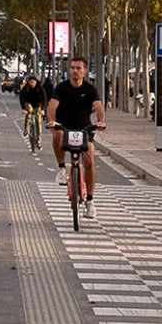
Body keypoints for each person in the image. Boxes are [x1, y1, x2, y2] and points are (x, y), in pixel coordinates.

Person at [48, 54, 105, 214]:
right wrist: (52, 121)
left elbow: (98, 107)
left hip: (84, 129)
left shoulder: (89, 89)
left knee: (89, 161)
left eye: (78, 68)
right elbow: (52, 106)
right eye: (72, 68)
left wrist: (101, 121)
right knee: (57, 134)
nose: (74, 71)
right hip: (64, 127)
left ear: (85, 71)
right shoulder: (61, 88)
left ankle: (90, 200)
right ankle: (61, 168)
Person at [17, 71, 47, 152]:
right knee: (29, 111)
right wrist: (23, 108)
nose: (32, 83)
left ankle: (39, 142)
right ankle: (26, 129)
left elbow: (44, 98)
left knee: (38, 122)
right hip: (28, 103)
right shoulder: (26, 88)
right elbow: (22, 97)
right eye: (30, 82)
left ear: (36, 82)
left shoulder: (40, 88)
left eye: (33, 82)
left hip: (38, 105)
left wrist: (43, 109)